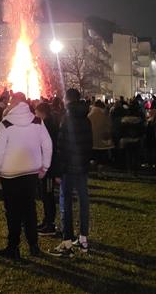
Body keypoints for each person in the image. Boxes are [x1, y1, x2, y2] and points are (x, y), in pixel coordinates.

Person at [0, 92, 52, 260]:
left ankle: (13, 247)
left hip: (10, 175)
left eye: (11, 102)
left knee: (13, 212)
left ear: (15, 103)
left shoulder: (5, 124)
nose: (9, 105)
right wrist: (44, 167)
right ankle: (33, 245)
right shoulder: (37, 121)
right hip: (31, 173)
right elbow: (48, 145)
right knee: (29, 210)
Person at [50, 89, 93, 256]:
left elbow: (61, 147)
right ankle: (83, 239)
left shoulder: (66, 119)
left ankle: (67, 242)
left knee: (65, 203)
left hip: (68, 168)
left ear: (67, 100)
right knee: (83, 201)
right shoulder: (86, 119)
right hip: (81, 167)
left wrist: (59, 170)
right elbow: (89, 144)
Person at [35, 102, 59, 236]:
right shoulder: (48, 123)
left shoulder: (48, 125)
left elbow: (48, 147)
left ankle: (50, 224)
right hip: (45, 165)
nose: (35, 115)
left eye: (36, 112)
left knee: (48, 195)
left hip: (48, 167)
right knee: (45, 195)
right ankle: (46, 221)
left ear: (42, 112)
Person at [87, 100, 114, 179]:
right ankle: (100, 172)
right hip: (102, 140)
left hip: (92, 140)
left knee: (93, 156)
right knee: (102, 158)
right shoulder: (104, 114)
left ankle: (92, 170)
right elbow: (109, 125)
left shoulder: (90, 115)